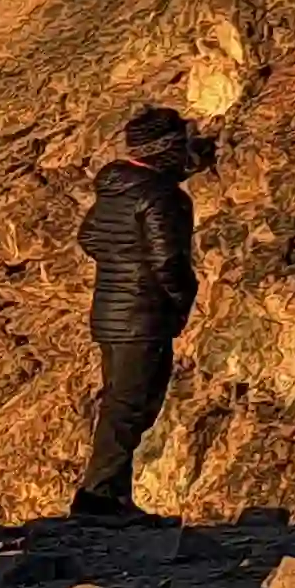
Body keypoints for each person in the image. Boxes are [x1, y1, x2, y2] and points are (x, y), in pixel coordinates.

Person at [70, 107, 203, 517]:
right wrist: (182, 298)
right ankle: (96, 498)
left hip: (111, 312)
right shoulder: (160, 195)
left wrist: (123, 263)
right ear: (165, 150)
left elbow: (89, 237)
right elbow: (168, 261)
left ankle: (113, 497)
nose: (187, 154)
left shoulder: (116, 189)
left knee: (122, 403)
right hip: (143, 315)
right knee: (130, 407)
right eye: (181, 145)